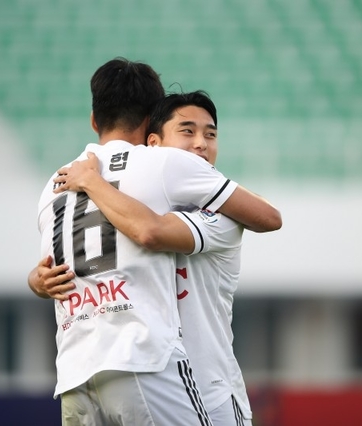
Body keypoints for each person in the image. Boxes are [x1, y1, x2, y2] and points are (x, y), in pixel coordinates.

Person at [32, 58, 281, 426]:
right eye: (188, 132)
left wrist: (35, 282)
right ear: (153, 124)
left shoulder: (55, 185)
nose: (199, 145)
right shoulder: (162, 164)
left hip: (76, 373)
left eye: (210, 135)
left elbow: (52, 272)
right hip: (143, 359)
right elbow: (267, 217)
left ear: (93, 119)